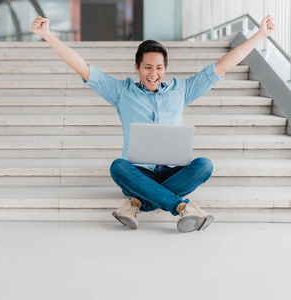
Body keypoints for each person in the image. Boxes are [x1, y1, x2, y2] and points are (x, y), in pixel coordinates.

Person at [31, 15, 276, 233]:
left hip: (173, 171)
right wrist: (48, 35)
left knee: (204, 165)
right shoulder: (121, 92)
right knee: (118, 166)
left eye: (159, 67)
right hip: (137, 173)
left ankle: (137, 203)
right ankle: (181, 206)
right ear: (137, 67)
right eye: (147, 67)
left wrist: (260, 34)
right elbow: (83, 68)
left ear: (165, 69)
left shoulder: (182, 90)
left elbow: (222, 66)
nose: (153, 73)